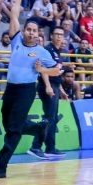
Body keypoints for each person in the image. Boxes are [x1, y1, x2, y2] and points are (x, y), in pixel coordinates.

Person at [0, 0, 62, 178]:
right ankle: (38, 128)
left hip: (26, 91)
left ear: (38, 34)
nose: (31, 33)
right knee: (8, 122)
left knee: (14, 129)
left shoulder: (42, 52)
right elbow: (14, 15)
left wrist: (42, 70)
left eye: (34, 31)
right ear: (24, 30)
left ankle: (1, 167)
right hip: (10, 89)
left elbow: (57, 70)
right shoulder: (16, 41)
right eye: (28, 29)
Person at [30, 26, 70, 159]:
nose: (59, 37)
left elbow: (56, 73)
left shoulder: (58, 51)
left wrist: (61, 90)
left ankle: (50, 148)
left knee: (52, 118)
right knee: (48, 118)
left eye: (61, 35)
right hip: (47, 86)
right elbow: (43, 69)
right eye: (56, 34)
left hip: (55, 85)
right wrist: (48, 86)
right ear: (51, 36)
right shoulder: (47, 50)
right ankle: (35, 146)